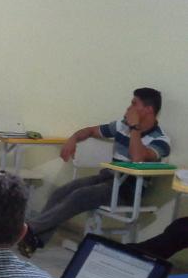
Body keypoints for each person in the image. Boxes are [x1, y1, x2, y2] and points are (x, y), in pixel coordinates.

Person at [20, 87, 171, 255]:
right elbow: (91, 130)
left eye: (134, 104)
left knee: (80, 195)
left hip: (129, 189)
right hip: (109, 177)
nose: (129, 108)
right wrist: (73, 139)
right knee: (62, 191)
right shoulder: (122, 126)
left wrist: (135, 128)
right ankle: (36, 239)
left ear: (149, 110)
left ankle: (28, 229)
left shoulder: (161, 140)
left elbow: (138, 158)